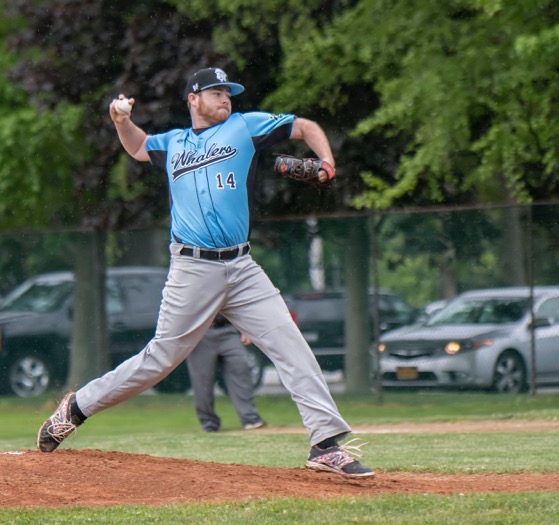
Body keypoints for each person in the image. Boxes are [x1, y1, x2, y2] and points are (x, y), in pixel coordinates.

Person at [36, 67, 373, 478]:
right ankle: (77, 406)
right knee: (159, 359)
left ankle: (324, 444)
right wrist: (122, 121)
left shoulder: (244, 127)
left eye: (228, 92)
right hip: (192, 268)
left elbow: (304, 126)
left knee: (291, 345)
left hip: (242, 267)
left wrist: (327, 160)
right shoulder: (174, 143)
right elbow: (139, 147)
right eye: (215, 92)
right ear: (193, 99)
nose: (225, 98)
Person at [186, 314, 266, 433]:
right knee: (202, 381)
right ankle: (209, 423)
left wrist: (246, 329)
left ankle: (250, 419)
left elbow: (239, 304)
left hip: (228, 329)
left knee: (241, 366)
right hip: (199, 332)